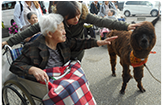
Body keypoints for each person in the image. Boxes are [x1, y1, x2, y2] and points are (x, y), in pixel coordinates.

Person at [2, 1, 140, 61]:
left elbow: (103, 21)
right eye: (72, 17)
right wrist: (9, 41)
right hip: (60, 50)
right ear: (62, 16)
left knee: (75, 73)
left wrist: (126, 26)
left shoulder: (84, 15)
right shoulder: (54, 19)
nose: (76, 19)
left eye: (78, 15)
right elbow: (32, 29)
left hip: (79, 48)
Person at [9, 13, 118, 82]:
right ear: (50, 34)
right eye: (61, 29)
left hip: (63, 78)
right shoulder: (34, 47)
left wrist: (99, 42)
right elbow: (15, 65)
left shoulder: (63, 42)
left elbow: (79, 43)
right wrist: (32, 69)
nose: (65, 32)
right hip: (49, 84)